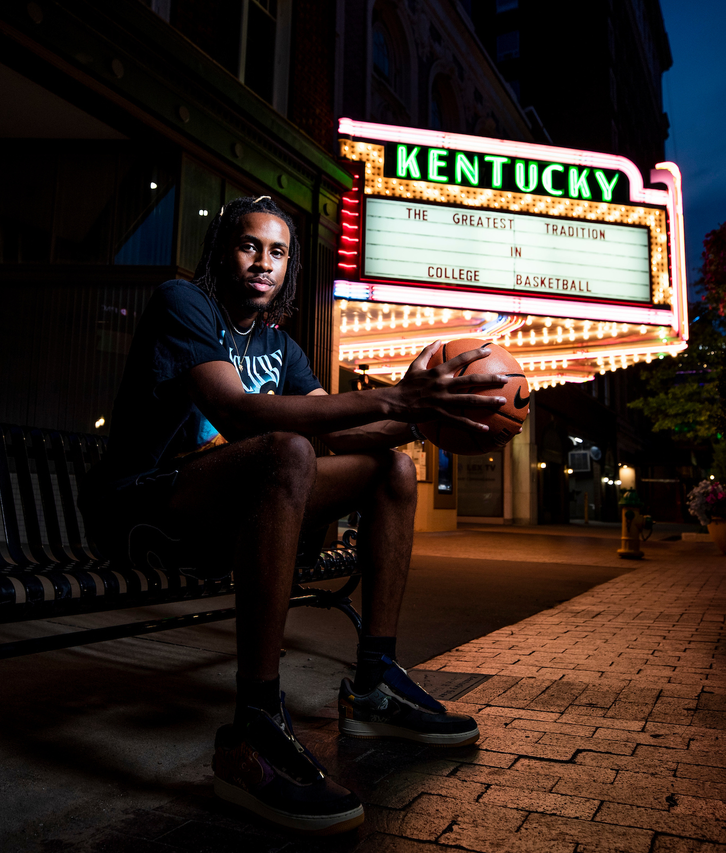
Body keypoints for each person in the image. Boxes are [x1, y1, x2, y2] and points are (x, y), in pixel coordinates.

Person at [80, 195, 509, 835]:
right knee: (284, 451)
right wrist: (394, 393)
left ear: (289, 267)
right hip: (147, 507)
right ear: (223, 252)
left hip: (228, 509)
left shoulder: (281, 347)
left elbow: (340, 434)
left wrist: (426, 417)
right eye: (250, 246)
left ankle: (375, 684)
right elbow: (238, 415)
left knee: (390, 466)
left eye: (278, 252)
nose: (263, 262)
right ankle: (253, 726)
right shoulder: (184, 302)